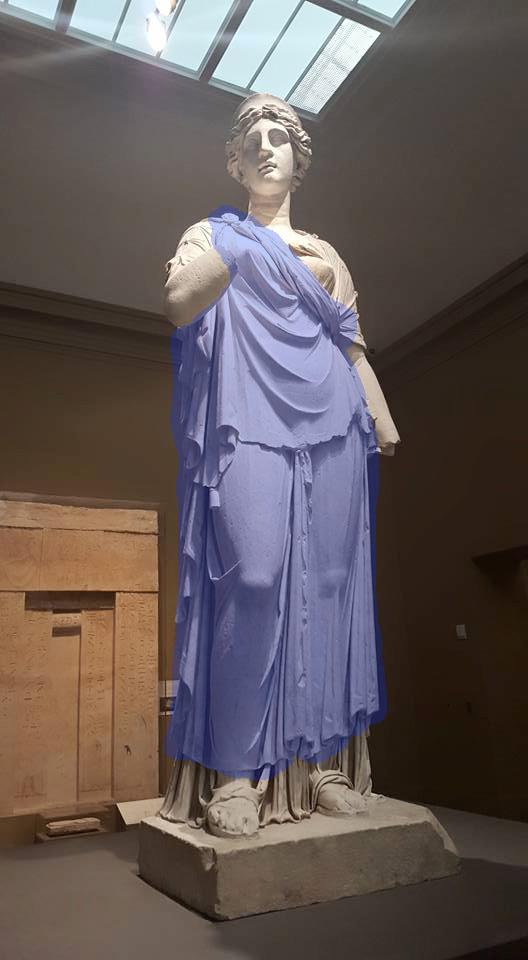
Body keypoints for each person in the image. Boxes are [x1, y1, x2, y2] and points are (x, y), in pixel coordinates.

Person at [159, 93, 400, 839]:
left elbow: (350, 345)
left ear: (300, 159)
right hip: (247, 414)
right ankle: (236, 772)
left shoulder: (328, 255)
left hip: (333, 418)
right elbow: (178, 302)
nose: (266, 147)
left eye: (280, 137)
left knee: (327, 588)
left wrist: (381, 416)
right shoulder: (214, 234)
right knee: (255, 578)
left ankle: (319, 764)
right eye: (252, 140)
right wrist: (238, 249)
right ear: (236, 163)